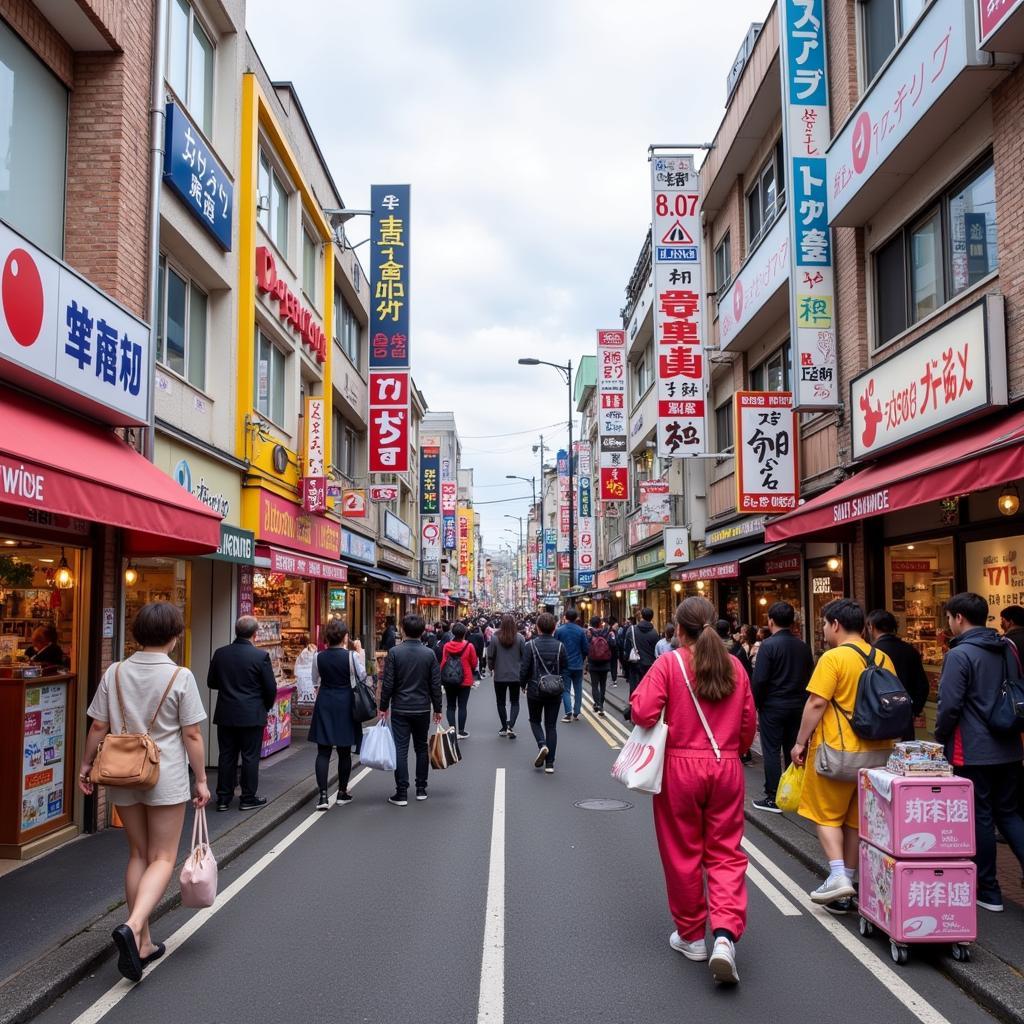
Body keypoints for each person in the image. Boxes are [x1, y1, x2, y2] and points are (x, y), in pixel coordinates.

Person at [79, 602, 209, 982]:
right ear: (174, 635)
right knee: (163, 857)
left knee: (138, 853)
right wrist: (201, 779)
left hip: (123, 774)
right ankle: (133, 926)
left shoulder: (115, 671)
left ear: (137, 634)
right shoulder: (180, 676)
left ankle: (144, 942)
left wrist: (87, 765)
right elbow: (192, 734)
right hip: (165, 776)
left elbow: (98, 725)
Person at [631, 597, 756, 985]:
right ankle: (724, 936)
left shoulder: (669, 663)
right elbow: (748, 723)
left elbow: (642, 712)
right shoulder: (734, 665)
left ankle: (690, 936)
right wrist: (731, 751)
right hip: (726, 764)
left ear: (678, 629)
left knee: (682, 852)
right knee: (725, 852)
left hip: (681, 768)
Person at [790, 599, 897, 910]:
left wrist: (799, 743)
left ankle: (838, 876)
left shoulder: (833, 658)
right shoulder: (882, 657)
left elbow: (816, 703)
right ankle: (847, 883)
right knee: (853, 821)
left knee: (825, 815)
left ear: (835, 624)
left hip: (837, 755)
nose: (823, 629)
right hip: (878, 754)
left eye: (824, 623)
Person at [935, 592, 1024, 912]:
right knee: (1010, 813)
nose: (948, 623)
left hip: (972, 749)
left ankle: (989, 890)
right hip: (1010, 745)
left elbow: (949, 705)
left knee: (981, 817)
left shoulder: (960, 655)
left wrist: (940, 735)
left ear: (959, 618)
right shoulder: (1007, 648)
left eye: (949, 618)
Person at [207, 616, 278, 811]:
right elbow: (270, 687)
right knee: (250, 756)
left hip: (226, 713)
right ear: (255, 634)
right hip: (252, 713)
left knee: (226, 755)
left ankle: (223, 798)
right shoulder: (260, 656)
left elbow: (211, 682)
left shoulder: (220, 654)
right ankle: (247, 797)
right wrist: (265, 705)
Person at [750, 602, 815, 813]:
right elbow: (810, 677)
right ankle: (793, 792)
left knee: (771, 750)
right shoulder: (803, 646)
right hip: (798, 705)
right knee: (793, 749)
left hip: (773, 705)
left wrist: (757, 704)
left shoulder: (768, 646)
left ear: (770, 621)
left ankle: (773, 796)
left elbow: (759, 680)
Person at [379, 614, 443, 806]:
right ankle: (421, 788)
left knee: (401, 748)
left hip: (400, 707)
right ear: (423, 631)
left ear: (403, 630)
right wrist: (437, 708)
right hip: (422, 707)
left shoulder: (394, 653)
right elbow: (435, 684)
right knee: (421, 747)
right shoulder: (429, 654)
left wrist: (383, 706)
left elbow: (388, 683)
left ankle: (401, 792)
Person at [308, 619, 366, 810]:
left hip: (325, 700)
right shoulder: (352, 657)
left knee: (323, 751)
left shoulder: (318, 656)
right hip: (345, 702)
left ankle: (323, 796)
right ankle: (342, 792)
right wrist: (361, 654)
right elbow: (362, 676)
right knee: (344, 750)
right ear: (344, 637)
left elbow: (314, 680)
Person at [866, 608, 930, 740]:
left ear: (871, 627)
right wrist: (913, 710)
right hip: (904, 717)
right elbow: (923, 686)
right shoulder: (910, 650)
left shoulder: (871, 653)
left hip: (878, 718)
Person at [520, 612, 567, 774]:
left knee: (534, 720)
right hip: (555, 690)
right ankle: (550, 764)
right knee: (551, 725)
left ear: (537, 627)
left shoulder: (530, 645)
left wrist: (523, 685)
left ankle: (542, 744)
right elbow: (565, 667)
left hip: (535, 689)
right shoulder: (560, 646)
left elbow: (524, 669)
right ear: (554, 628)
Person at [487, 613, 526, 737]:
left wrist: (491, 668)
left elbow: (490, 656)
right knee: (515, 702)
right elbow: (524, 657)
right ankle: (511, 725)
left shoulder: (495, 637)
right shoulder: (520, 638)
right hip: (516, 675)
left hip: (500, 675)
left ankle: (504, 726)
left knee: (500, 702)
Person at [440, 622, 478, 738]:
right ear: (464, 633)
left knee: (450, 706)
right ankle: (461, 731)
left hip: (449, 679)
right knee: (462, 706)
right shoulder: (469, 646)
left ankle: (452, 729)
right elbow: (474, 662)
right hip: (465, 679)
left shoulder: (447, 646)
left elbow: (443, 662)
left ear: (453, 633)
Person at [555, 607, 590, 722]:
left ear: (565, 617)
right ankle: (576, 712)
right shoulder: (581, 631)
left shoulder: (560, 630)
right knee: (578, 688)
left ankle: (568, 711)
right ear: (576, 618)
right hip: (578, 664)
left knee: (565, 689)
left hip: (565, 665)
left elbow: (556, 647)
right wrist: (582, 659)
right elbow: (586, 648)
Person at [622, 608, 660, 711]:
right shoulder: (654, 633)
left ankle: (634, 710)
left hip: (635, 664)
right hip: (649, 666)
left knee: (634, 688)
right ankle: (646, 710)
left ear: (641, 616)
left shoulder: (632, 630)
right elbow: (655, 651)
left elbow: (626, 648)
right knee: (647, 689)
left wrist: (625, 665)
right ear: (652, 618)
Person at [586, 615, 614, 717]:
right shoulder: (607, 632)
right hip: (605, 663)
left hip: (593, 663)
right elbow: (613, 645)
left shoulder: (589, 634)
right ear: (599, 623)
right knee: (603, 685)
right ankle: (601, 705)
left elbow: (586, 647)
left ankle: (597, 703)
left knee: (594, 685)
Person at [606, 615, 620, 687]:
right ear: (613, 625)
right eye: (616, 625)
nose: (617, 627)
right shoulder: (612, 633)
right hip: (612, 652)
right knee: (613, 666)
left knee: (613, 666)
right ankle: (614, 680)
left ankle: (614, 680)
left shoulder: (613, 632)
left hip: (612, 652)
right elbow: (613, 643)